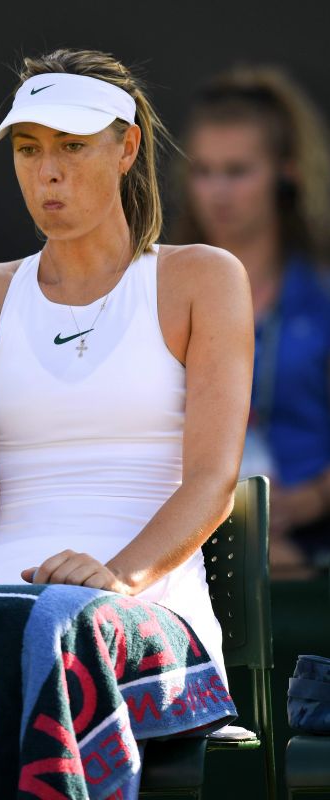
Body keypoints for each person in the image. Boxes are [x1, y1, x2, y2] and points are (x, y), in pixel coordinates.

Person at [0, 48, 253, 680]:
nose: (47, 172)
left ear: (127, 149)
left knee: (52, 652)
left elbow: (213, 482)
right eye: (28, 150)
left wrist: (116, 578)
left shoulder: (204, 278)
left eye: (72, 146)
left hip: (140, 609)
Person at [169, 65, 330, 577]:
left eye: (237, 171)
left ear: (288, 170)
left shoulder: (323, 290)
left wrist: (314, 497)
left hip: (315, 547)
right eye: (202, 171)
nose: (218, 191)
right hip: (186, 548)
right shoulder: (155, 288)